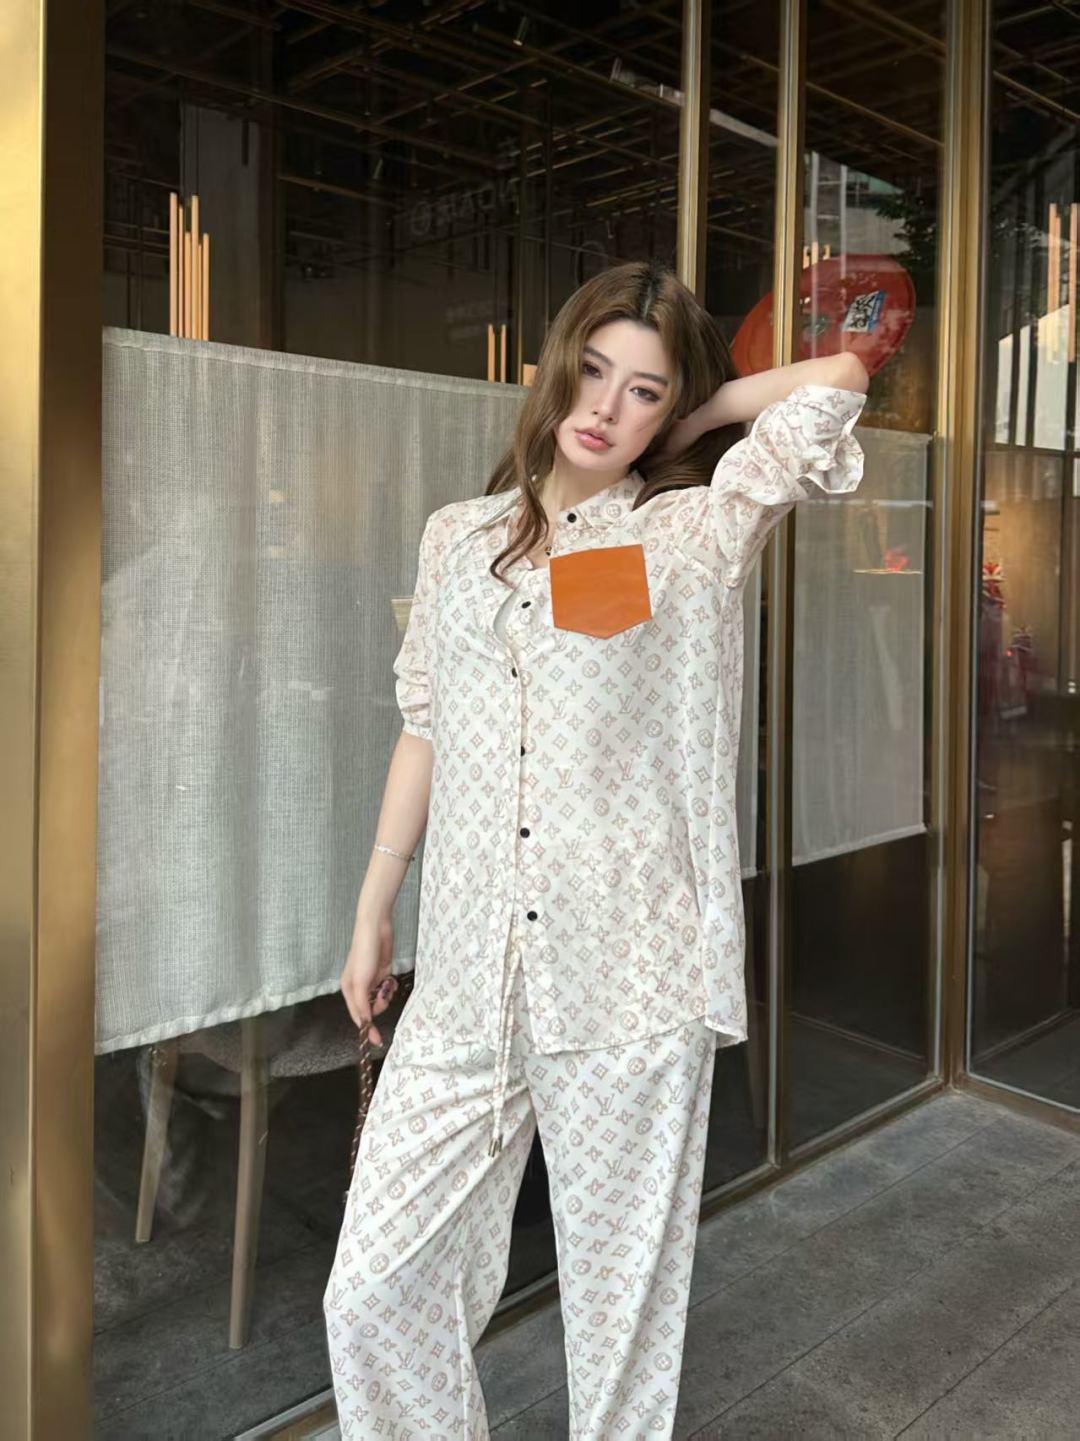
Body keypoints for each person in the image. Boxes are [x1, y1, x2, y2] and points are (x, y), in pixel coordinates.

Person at [323, 260, 869, 1439]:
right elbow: (426, 722)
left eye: (643, 390)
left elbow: (837, 377)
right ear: (553, 367)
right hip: (467, 977)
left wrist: (703, 414)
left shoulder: (689, 535)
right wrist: (374, 909)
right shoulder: (457, 539)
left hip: (630, 977)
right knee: (371, 1292)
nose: (608, 406)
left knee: (622, 1327)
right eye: (595, 371)